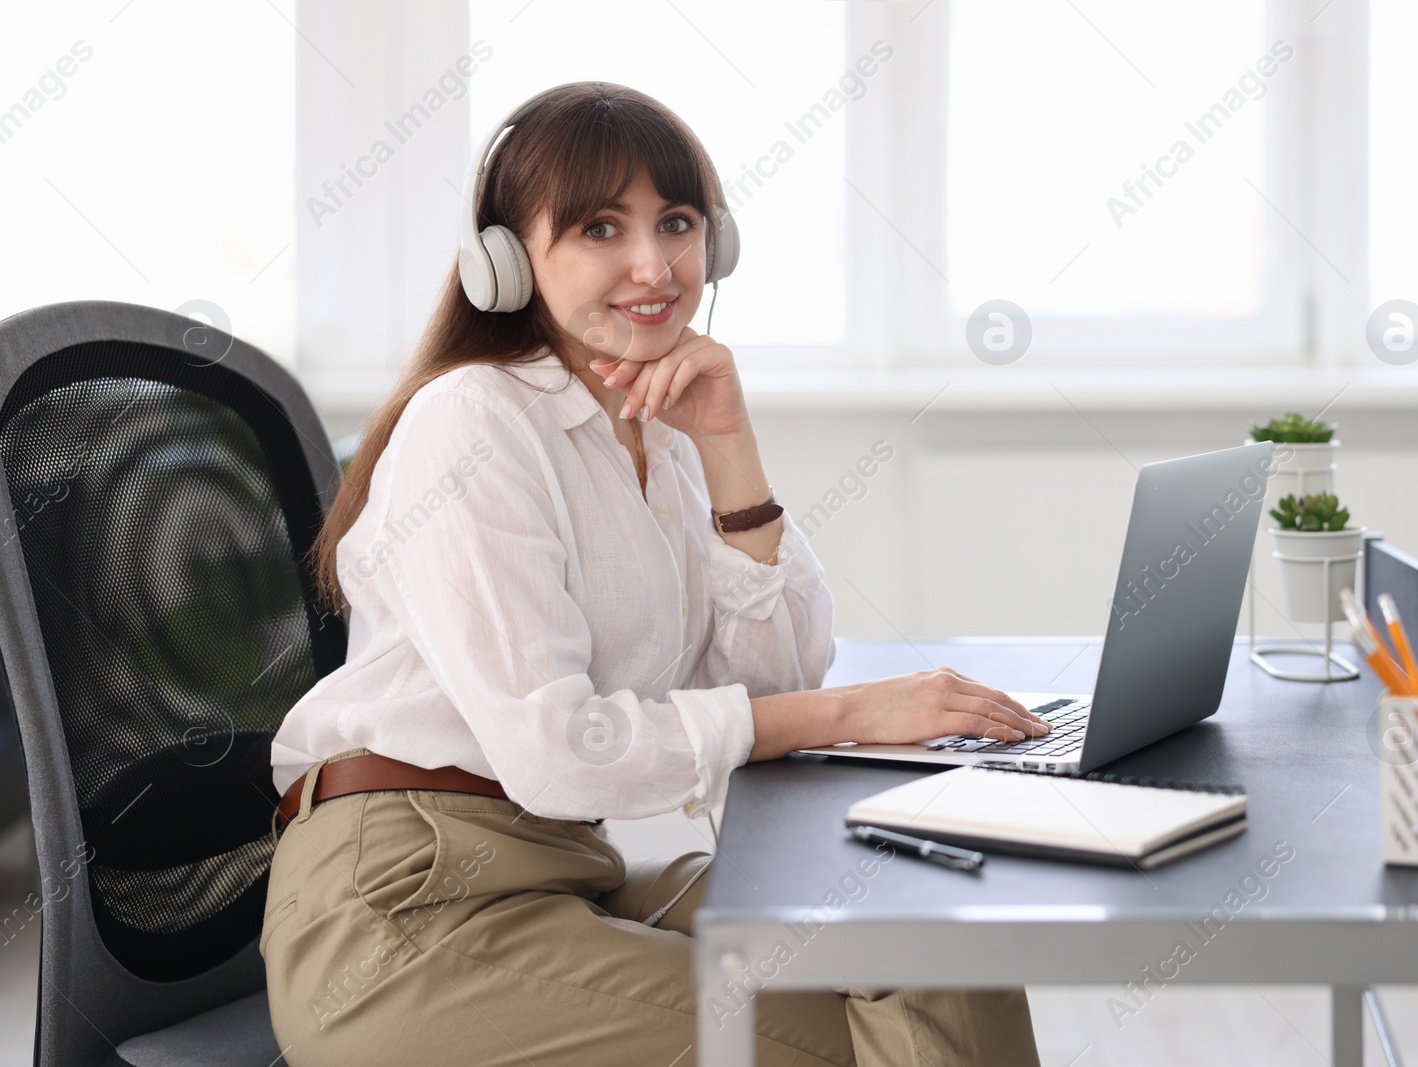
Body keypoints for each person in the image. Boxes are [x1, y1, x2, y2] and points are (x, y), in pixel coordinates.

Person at [261, 80, 1048, 1066]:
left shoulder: (656, 431)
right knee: (837, 1045)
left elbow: (769, 687)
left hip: (559, 870)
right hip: (406, 906)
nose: (653, 263)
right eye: (599, 226)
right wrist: (854, 713)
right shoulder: (474, 423)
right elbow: (559, 751)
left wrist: (727, 447)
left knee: (919, 921)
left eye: (675, 222)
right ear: (503, 262)